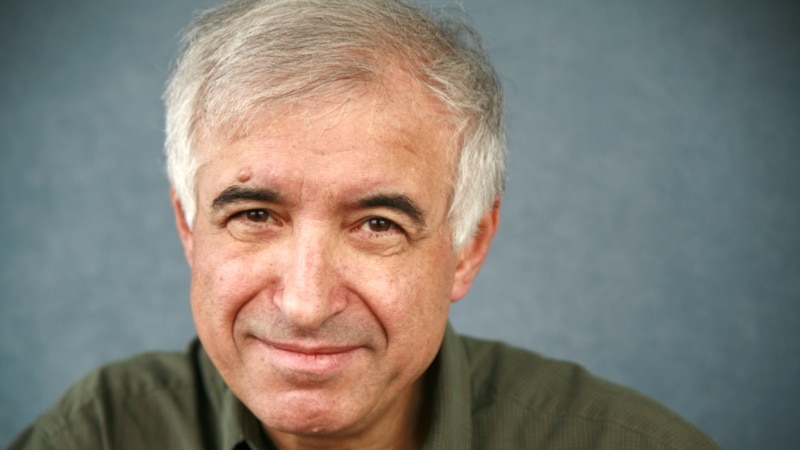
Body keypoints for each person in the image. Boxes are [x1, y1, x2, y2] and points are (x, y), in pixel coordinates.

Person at [8, 0, 720, 449]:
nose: (306, 304)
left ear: (468, 246)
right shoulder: (98, 435)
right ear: (190, 228)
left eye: (377, 224)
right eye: (255, 215)